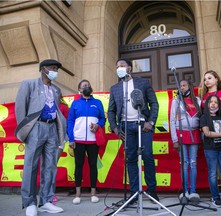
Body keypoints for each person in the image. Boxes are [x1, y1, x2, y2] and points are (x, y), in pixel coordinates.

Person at [15, 59, 66, 216]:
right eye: (53, 68)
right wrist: (25, 130)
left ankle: (46, 201)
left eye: (57, 69)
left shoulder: (56, 90)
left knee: (50, 165)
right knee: (31, 165)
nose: (55, 71)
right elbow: (20, 107)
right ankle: (29, 202)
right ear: (43, 69)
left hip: (52, 127)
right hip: (36, 127)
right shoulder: (29, 84)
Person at [107, 58, 159, 203]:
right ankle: (134, 193)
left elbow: (154, 103)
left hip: (143, 125)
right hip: (125, 127)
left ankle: (152, 191)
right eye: (117, 66)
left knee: (147, 156)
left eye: (122, 65)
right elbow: (111, 110)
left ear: (129, 67)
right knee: (130, 159)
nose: (119, 68)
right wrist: (115, 128)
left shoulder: (143, 83)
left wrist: (151, 122)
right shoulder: (115, 88)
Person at [67, 79, 106, 205]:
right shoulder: (75, 103)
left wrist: (98, 125)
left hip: (93, 140)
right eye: (84, 86)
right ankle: (78, 194)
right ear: (79, 90)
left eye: (88, 85)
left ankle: (93, 193)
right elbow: (70, 121)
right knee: (78, 166)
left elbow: (102, 118)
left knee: (93, 165)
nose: (87, 87)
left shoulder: (98, 102)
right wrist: (71, 138)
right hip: (78, 140)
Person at [169, 79, 202, 202]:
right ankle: (185, 191)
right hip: (181, 134)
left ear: (190, 86)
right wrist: (174, 139)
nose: (182, 87)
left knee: (193, 163)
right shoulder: (176, 101)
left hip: (194, 134)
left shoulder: (198, 100)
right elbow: (172, 120)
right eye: (180, 86)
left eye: (184, 85)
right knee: (184, 162)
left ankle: (193, 192)